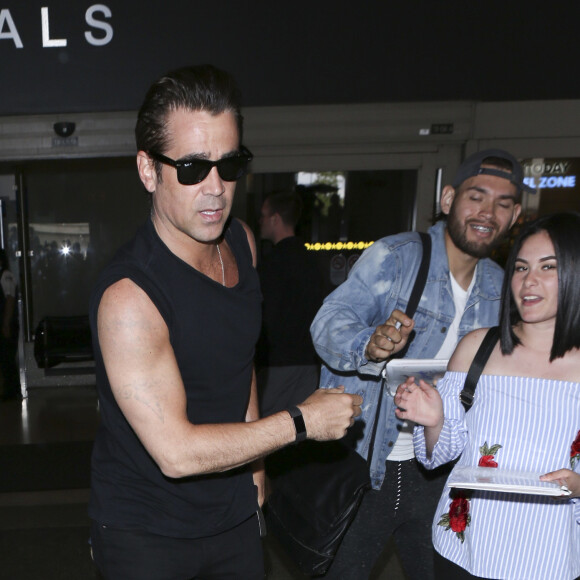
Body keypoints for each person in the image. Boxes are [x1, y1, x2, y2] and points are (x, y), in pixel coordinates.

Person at [88, 64, 362, 580]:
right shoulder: (130, 296)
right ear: (149, 170)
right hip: (145, 533)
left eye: (229, 164)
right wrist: (300, 423)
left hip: (232, 511)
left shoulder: (240, 241)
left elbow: (241, 362)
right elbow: (176, 453)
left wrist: (255, 467)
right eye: (192, 168)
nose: (215, 187)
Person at [310, 149, 528, 579]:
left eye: (503, 204)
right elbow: (328, 323)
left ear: (515, 214)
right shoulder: (398, 257)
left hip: (443, 471)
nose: (488, 212)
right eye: (476, 197)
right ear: (448, 199)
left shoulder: (501, 287)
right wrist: (369, 346)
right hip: (371, 463)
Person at [395, 212, 580, 580]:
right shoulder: (478, 347)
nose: (529, 282)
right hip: (466, 548)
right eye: (521, 267)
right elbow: (440, 455)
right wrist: (433, 420)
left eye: (548, 267)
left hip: (553, 552)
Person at [256, 191, 325, 416]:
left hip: (278, 363)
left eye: (264, 216)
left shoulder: (271, 265)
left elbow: (265, 316)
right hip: (310, 361)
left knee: (269, 431)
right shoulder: (313, 261)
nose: (261, 221)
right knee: (302, 429)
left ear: (275, 219)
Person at [0, 248, 19, 400]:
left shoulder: (6, 276)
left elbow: (10, 299)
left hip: (7, 323)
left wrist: (6, 324)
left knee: (7, 357)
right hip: (5, 323)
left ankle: (12, 391)